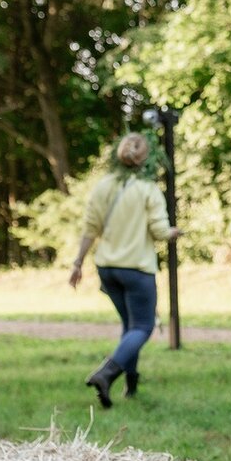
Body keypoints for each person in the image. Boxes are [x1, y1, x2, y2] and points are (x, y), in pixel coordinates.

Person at [70, 132, 180, 408]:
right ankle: (106, 373)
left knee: (130, 327)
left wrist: (78, 263)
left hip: (107, 267)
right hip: (137, 268)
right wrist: (173, 232)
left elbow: (90, 228)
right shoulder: (147, 189)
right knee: (142, 326)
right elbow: (159, 230)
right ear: (146, 160)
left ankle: (130, 386)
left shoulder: (103, 185)